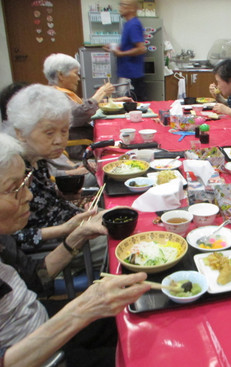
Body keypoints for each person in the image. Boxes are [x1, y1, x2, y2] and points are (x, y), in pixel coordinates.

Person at [0, 133, 150, 367]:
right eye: (14, 189)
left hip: (41, 321)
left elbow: (34, 276)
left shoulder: (3, 239)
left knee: (141, 317)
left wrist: (76, 234)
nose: (28, 195)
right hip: (41, 356)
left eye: (25, 183)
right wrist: (81, 310)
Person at [2, 84, 104, 263]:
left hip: (73, 221)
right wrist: (65, 229)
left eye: (64, 131)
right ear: (20, 132)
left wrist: (61, 193)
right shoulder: (10, 168)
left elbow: (44, 199)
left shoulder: (37, 157)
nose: (59, 141)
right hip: (54, 245)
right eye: (49, 133)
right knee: (124, 239)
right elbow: (10, 239)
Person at [106, 0, 147, 101]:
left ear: (132, 8)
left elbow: (141, 48)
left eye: (123, 5)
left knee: (132, 107)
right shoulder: (127, 24)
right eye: (120, 5)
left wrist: (121, 54)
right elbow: (128, 46)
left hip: (132, 76)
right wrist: (113, 47)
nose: (120, 8)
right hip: (126, 72)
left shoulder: (134, 24)